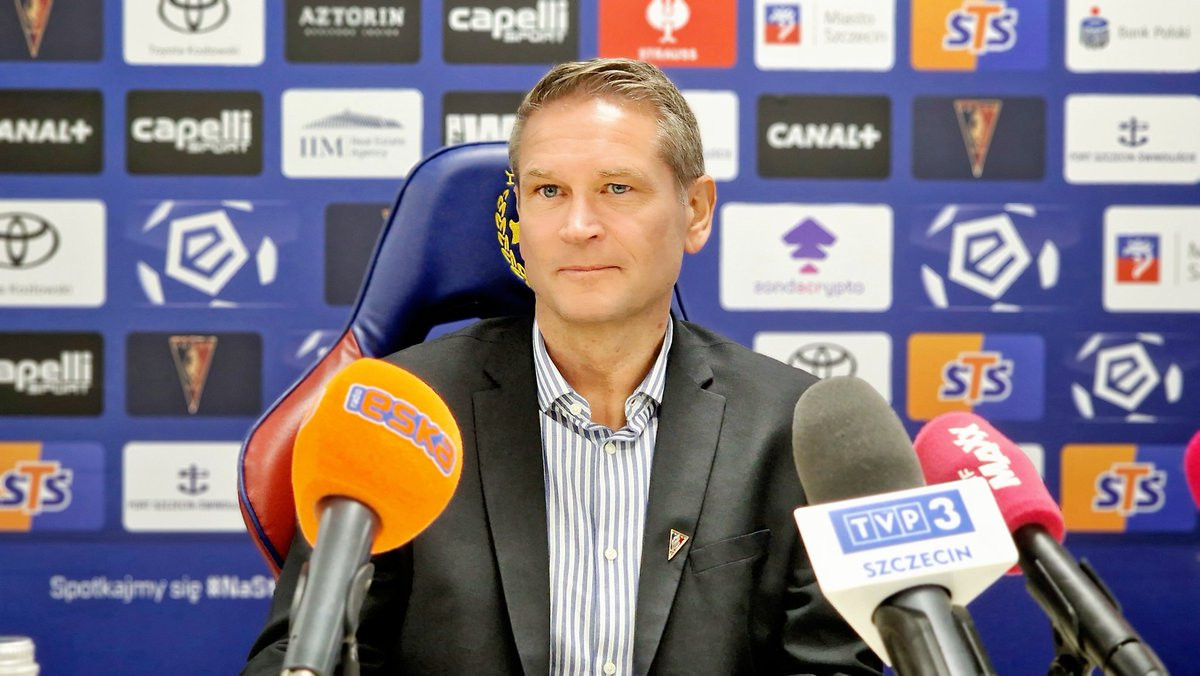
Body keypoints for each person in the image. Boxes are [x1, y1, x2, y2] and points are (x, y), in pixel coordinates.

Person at [243, 58, 881, 675]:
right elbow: (299, 655)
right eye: (548, 191)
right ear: (518, 216)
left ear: (696, 210)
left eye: (617, 188)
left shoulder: (795, 430)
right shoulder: (398, 418)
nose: (578, 226)